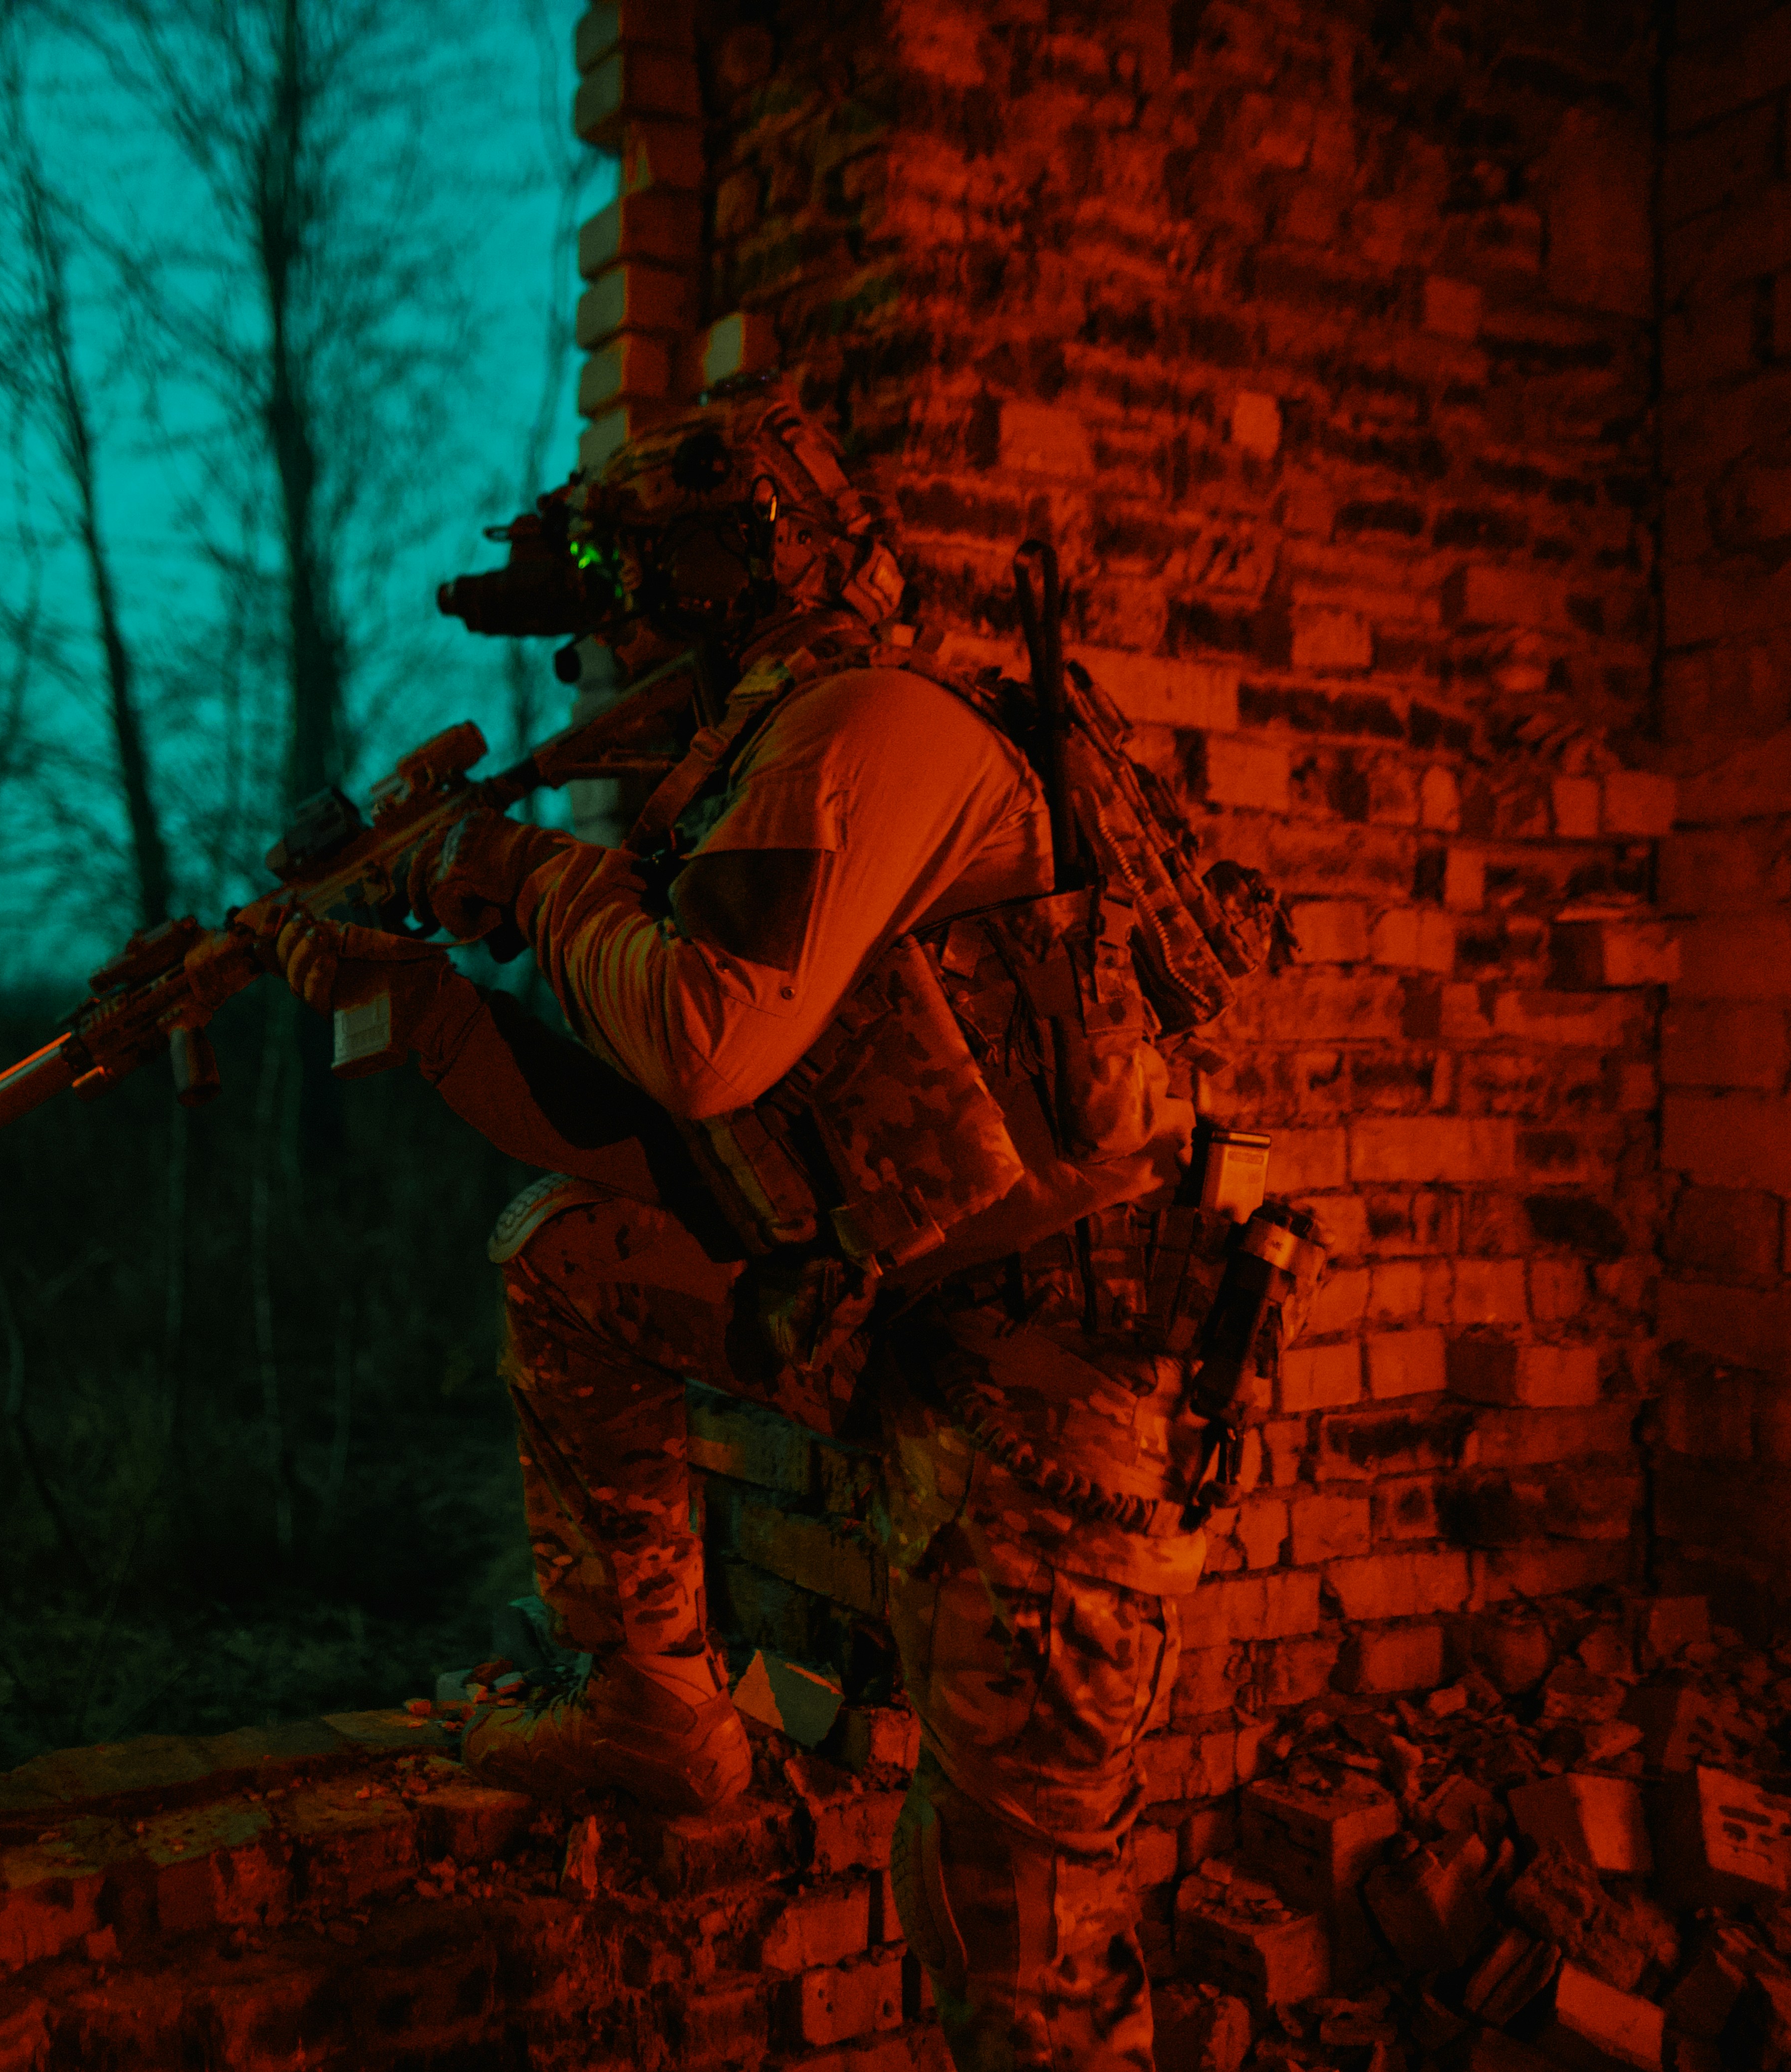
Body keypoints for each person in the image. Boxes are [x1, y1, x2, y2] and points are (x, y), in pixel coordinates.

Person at [269, 387, 1309, 2072]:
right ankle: (653, 1706)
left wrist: (520, 875)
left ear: (726, 585)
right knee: (563, 1257)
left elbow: (704, 1036)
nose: (600, 682)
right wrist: (425, 1003)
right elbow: (664, 1154)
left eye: (626, 625)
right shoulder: (786, 783)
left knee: (1023, 1970)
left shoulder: (863, 731)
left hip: (1064, 1404)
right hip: (927, 1360)